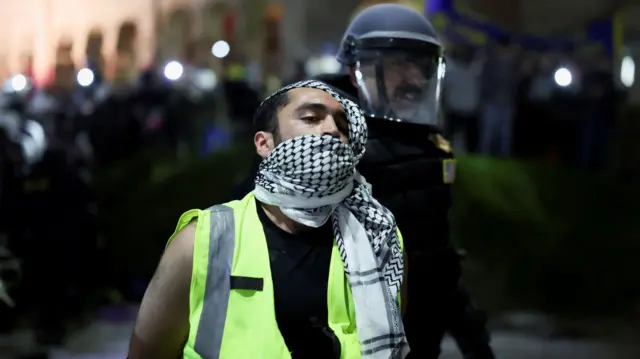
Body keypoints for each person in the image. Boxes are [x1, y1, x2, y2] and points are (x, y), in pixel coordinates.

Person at [129, 80, 410, 359]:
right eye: (311, 118)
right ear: (264, 143)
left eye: (343, 125)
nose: (332, 130)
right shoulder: (201, 242)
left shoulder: (380, 238)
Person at [306, 4, 494, 359]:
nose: (415, 78)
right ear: (356, 70)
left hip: (420, 335)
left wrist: (476, 342)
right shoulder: (327, 146)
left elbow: (435, 258)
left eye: (421, 65)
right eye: (399, 63)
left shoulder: (430, 147)